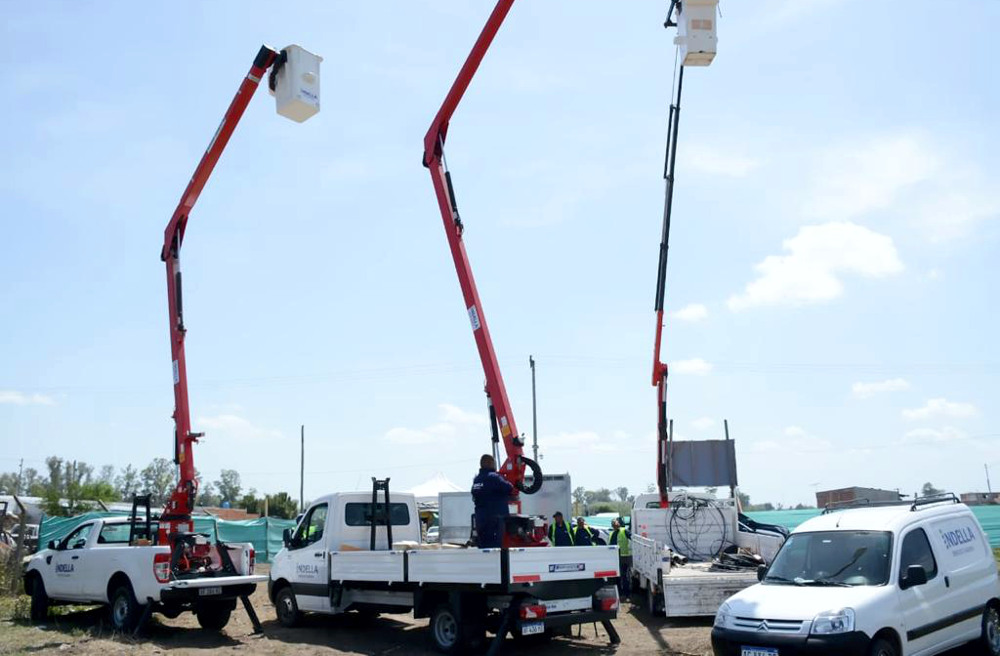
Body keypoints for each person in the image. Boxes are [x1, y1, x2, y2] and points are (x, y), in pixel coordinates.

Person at [471, 454, 513, 549]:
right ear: (490, 463)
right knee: (494, 548)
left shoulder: (476, 480)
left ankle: (485, 563)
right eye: (494, 463)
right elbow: (509, 488)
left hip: (480, 519)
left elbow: (474, 496)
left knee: (483, 547)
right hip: (494, 520)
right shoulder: (494, 477)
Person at [610, 517, 632, 597]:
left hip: (624, 557)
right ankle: (621, 592)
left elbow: (632, 537)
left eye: (616, 524)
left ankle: (626, 593)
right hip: (616, 558)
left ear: (618, 524)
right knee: (619, 576)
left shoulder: (624, 531)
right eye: (614, 524)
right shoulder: (612, 534)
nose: (615, 525)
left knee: (624, 576)